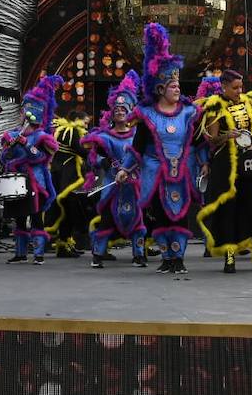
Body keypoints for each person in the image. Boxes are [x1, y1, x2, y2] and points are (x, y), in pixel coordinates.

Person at [130, 23, 201, 274]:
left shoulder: (190, 113)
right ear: (160, 88)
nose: (177, 88)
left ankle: (179, 258)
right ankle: (166, 257)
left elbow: (198, 142)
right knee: (160, 214)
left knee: (180, 214)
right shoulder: (147, 114)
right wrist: (126, 170)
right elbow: (138, 146)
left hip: (181, 172)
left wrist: (205, 162)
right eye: (172, 85)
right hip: (156, 172)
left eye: (178, 84)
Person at [197, 69, 252, 274]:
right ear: (223, 86)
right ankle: (229, 255)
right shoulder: (214, 106)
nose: (239, 91)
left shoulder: (248, 102)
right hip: (226, 164)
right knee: (228, 210)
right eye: (235, 88)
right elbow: (212, 139)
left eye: (241, 87)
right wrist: (227, 136)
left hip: (249, 162)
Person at [82, 70, 147, 269]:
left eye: (123, 108)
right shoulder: (104, 136)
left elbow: (145, 156)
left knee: (137, 219)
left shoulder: (138, 135)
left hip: (135, 185)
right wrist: (106, 162)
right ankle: (98, 255)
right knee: (107, 220)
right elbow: (94, 158)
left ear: (130, 111)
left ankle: (139, 255)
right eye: (116, 108)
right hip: (112, 186)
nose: (119, 111)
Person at [1, 74, 64, 264]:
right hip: (15, 180)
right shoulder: (11, 134)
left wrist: (26, 144)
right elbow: (4, 158)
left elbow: (40, 157)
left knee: (36, 216)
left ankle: (38, 254)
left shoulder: (42, 136)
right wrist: (11, 148)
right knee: (19, 218)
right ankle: (20, 253)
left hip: (36, 181)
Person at [45, 109, 91, 259]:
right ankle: (63, 245)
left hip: (62, 173)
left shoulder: (62, 130)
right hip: (67, 175)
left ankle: (65, 244)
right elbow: (80, 150)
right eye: (85, 122)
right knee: (68, 209)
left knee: (65, 210)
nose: (86, 126)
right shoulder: (71, 130)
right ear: (77, 119)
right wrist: (95, 149)